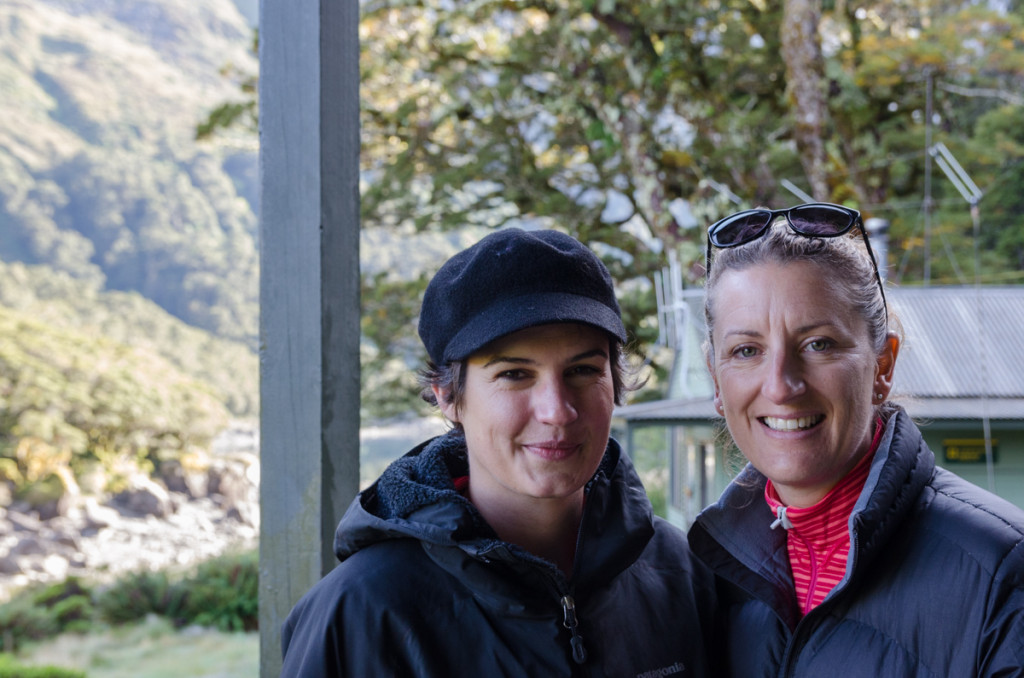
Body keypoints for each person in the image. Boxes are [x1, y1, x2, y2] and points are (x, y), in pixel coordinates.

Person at [280, 228, 717, 677]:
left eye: (583, 370)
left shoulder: (677, 570)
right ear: (448, 397)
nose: (557, 412)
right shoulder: (363, 611)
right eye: (514, 374)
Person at [688, 202, 1024, 677]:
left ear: (882, 365)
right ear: (716, 381)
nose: (782, 386)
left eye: (818, 344)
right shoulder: (700, 576)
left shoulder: (1003, 572)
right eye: (747, 350)